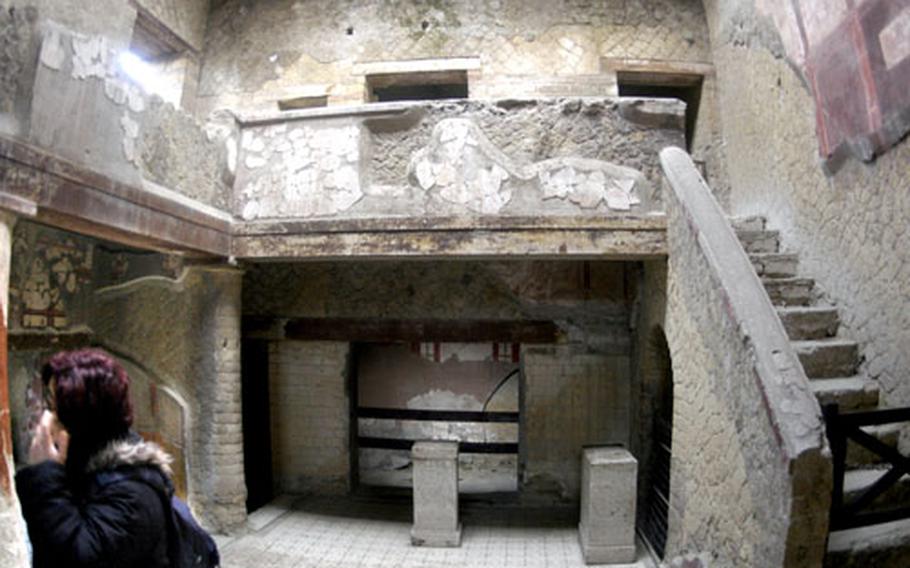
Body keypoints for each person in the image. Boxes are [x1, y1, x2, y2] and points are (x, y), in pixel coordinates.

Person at [15, 348, 173, 568]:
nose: (47, 421)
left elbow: (75, 557)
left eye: (57, 412)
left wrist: (45, 473)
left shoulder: (134, 493)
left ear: (82, 421)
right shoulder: (83, 468)